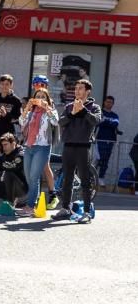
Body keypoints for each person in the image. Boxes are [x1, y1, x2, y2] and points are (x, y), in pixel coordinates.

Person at [52, 79, 102, 224]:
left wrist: (83, 111)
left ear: (87, 91)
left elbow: (96, 121)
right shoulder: (68, 106)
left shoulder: (94, 107)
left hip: (83, 147)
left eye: (80, 88)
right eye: (76, 88)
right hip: (68, 146)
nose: (77, 91)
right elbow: (60, 123)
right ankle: (65, 208)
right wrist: (73, 113)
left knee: (85, 180)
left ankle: (86, 212)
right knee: (67, 179)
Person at [18, 88, 59, 217]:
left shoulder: (50, 111)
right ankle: (31, 203)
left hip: (43, 147)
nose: (40, 98)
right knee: (28, 176)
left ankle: (30, 206)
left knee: (34, 176)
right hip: (29, 146)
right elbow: (22, 122)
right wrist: (27, 108)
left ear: (47, 99)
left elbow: (55, 121)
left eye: (43, 96)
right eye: (38, 96)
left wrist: (47, 109)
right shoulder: (31, 112)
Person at [31, 75, 59, 210]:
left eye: (41, 85)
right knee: (37, 168)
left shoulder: (49, 102)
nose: (38, 87)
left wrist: (46, 107)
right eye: (36, 85)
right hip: (33, 141)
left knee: (45, 166)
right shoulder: (33, 102)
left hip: (45, 141)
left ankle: (53, 194)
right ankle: (34, 196)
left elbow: (54, 120)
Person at [96, 96, 121, 186]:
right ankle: (92, 177)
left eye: (111, 102)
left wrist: (106, 122)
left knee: (105, 160)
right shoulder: (100, 112)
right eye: (107, 102)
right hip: (100, 140)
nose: (109, 103)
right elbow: (99, 122)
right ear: (104, 102)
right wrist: (107, 122)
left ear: (113, 104)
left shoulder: (115, 115)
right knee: (98, 160)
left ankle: (101, 177)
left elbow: (115, 124)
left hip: (110, 141)